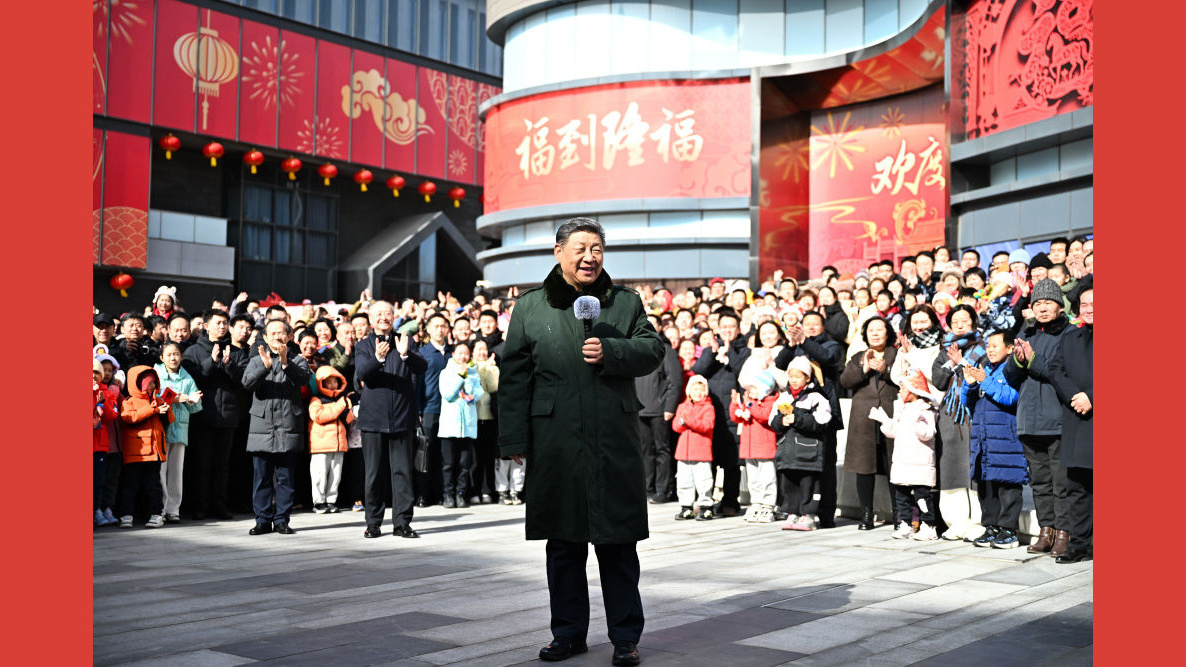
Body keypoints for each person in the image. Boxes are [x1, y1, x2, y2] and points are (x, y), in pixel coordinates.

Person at [498, 218, 664, 666]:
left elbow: (653, 349)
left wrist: (613, 351)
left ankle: (625, 638)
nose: (590, 257)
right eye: (581, 248)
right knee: (563, 543)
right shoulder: (531, 307)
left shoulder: (625, 303)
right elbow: (514, 377)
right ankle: (568, 634)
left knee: (618, 543)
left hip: (613, 439)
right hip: (556, 441)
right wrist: (514, 438)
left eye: (597, 249)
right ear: (558, 252)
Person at [1007, 278, 1074, 557]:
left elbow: (1062, 375)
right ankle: (1045, 531)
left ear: (1060, 306)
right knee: (1040, 482)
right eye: (1038, 304)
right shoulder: (1027, 332)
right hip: (1029, 420)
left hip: (1058, 420)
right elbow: (1011, 377)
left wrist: (1033, 361)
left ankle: (1064, 533)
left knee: (1062, 482)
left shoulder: (1071, 335)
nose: (1043, 308)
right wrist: (1018, 360)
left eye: (1048, 303)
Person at [355, 300, 427, 539]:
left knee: (402, 472)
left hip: (402, 417)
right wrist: (377, 358)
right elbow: (362, 373)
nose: (383, 317)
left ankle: (402, 523)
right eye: (378, 314)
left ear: (394, 317)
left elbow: (422, 367)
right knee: (374, 474)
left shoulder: (406, 340)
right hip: (373, 419)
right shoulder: (363, 345)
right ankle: (373, 523)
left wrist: (406, 355)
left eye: (387, 313)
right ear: (370, 319)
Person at [242, 319, 312, 536]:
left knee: (285, 478)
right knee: (261, 477)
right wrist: (264, 368)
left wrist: (285, 363)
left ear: (289, 336)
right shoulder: (257, 359)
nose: (277, 336)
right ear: (265, 337)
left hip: (288, 425)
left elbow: (303, 380)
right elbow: (247, 383)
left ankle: (282, 520)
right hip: (262, 426)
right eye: (272, 333)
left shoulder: (298, 360)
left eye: (281, 332)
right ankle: (262, 520)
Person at [963, 329, 1028, 549]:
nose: (989, 350)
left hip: (1005, 439)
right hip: (984, 438)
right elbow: (969, 404)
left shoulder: (1012, 370)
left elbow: (1011, 397)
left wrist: (985, 381)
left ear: (1009, 349)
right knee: (986, 485)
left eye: (994, 346)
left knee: (1008, 484)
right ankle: (990, 527)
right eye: (988, 346)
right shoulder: (986, 369)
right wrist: (970, 384)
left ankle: (1009, 531)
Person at [181, 309, 247, 520]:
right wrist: (211, 361)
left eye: (225, 323)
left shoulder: (235, 351)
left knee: (222, 466)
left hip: (228, 416)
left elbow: (243, 381)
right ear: (206, 326)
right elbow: (192, 379)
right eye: (218, 323)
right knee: (202, 465)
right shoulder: (193, 351)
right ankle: (200, 506)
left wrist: (228, 365)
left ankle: (220, 505)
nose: (222, 327)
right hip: (202, 416)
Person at [930, 305, 986, 540]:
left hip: (973, 411)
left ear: (974, 321)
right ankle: (955, 521)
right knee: (951, 467)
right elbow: (938, 380)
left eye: (965, 320)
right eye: (955, 322)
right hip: (951, 414)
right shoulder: (944, 350)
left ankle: (978, 521)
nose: (960, 325)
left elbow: (979, 377)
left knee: (973, 466)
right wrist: (951, 364)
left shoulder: (984, 347)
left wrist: (961, 362)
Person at [1046, 287, 1093, 563]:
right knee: (1077, 487)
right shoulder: (1071, 336)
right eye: (1084, 304)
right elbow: (1055, 369)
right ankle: (1081, 544)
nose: (1089, 308)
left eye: (1095, 303)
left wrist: (1092, 397)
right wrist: (1075, 396)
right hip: (1077, 417)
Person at [840, 317, 899, 530]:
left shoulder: (897, 354)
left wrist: (886, 370)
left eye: (879, 329)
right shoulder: (858, 357)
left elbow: (908, 379)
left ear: (887, 333)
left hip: (891, 415)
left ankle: (899, 513)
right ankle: (866, 513)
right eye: (870, 330)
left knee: (894, 464)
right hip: (863, 419)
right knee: (863, 467)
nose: (874, 333)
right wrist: (863, 370)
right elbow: (845, 381)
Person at [691, 309, 749, 517]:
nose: (727, 330)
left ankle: (730, 502)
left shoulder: (744, 351)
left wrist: (729, 351)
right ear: (717, 328)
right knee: (709, 460)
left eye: (731, 327)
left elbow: (742, 372)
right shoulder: (710, 350)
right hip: (711, 414)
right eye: (724, 327)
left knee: (732, 463)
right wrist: (713, 353)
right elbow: (698, 370)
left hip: (733, 414)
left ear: (738, 329)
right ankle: (705, 501)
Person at [871, 370, 940, 541]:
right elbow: (895, 431)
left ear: (913, 390)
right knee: (901, 496)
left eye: (902, 388)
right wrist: (884, 421)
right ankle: (905, 524)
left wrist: (916, 423)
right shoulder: (902, 408)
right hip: (902, 461)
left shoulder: (926, 410)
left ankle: (928, 525)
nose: (899, 391)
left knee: (922, 497)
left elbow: (928, 433)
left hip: (920, 463)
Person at [772, 356, 832, 531]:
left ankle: (808, 514)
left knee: (808, 484)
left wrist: (797, 418)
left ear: (807, 378)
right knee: (789, 483)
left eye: (798, 376)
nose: (794, 380)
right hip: (788, 451)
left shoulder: (816, 397)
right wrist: (781, 421)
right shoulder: (783, 397)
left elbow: (822, 420)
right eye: (791, 376)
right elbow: (772, 420)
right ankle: (792, 512)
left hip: (808, 453)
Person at [118, 366, 173, 529]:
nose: (152, 386)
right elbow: (129, 418)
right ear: (139, 384)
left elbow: (170, 419)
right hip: (136, 452)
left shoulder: (158, 400)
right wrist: (153, 409)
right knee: (130, 485)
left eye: (154, 383)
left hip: (155, 452)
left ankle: (156, 514)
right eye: (149, 383)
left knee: (153, 485)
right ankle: (126, 515)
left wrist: (166, 409)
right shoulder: (129, 401)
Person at [635, 316, 682, 504]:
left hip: (660, 409)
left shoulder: (666, 350)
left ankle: (663, 490)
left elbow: (674, 381)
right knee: (645, 450)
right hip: (640, 408)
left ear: (661, 327)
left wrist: (669, 407)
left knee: (662, 450)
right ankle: (647, 488)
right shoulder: (637, 348)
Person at [154, 343, 202, 523]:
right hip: (161, 428)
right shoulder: (156, 374)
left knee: (176, 471)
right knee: (160, 471)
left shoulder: (187, 378)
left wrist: (193, 401)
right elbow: (153, 397)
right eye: (169, 355)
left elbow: (195, 408)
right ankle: (160, 508)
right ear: (161, 358)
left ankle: (173, 509)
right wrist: (175, 398)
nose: (173, 358)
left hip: (180, 429)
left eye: (176, 354)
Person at [438, 342, 484, 509]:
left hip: (467, 426)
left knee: (464, 464)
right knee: (448, 464)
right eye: (460, 353)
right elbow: (448, 394)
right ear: (453, 355)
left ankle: (461, 494)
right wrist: (461, 376)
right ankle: (448, 494)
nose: (463, 356)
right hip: (450, 427)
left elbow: (478, 393)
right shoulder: (446, 372)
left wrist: (469, 383)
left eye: (466, 353)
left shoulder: (474, 372)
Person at [731, 370, 778, 523]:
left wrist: (749, 405)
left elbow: (764, 416)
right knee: (753, 479)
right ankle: (756, 502)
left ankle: (768, 504)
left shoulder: (770, 402)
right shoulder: (750, 403)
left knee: (767, 478)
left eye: (754, 388)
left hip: (765, 449)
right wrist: (735, 404)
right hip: (749, 448)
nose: (750, 391)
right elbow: (736, 417)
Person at [417, 312, 452, 506]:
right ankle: (423, 494)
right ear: (428, 329)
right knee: (426, 453)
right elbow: (417, 385)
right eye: (436, 326)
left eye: (443, 326)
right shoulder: (422, 353)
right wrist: (418, 410)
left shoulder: (453, 353)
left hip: (451, 410)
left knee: (444, 454)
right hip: (430, 409)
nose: (440, 329)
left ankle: (440, 493)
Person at [307, 365, 354, 514]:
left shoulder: (342, 399)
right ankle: (319, 501)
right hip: (321, 444)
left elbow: (349, 419)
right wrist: (340, 405)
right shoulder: (316, 399)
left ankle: (331, 500)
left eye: (335, 381)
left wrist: (347, 406)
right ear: (321, 383)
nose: (333, 384)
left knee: (336, 474)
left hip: (339, 443)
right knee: (319, 474)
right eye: (329, 382)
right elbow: (319, 416)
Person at [673, 375, 716, 521]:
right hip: (683, 453)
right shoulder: (682, 406)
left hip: (701, 452)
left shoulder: (708, 408)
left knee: (704, 481)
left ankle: (706, 507)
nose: (698, 393)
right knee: (684, 481)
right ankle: (686, 507)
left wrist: (689, 421)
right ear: (689, 391)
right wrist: (682, 422)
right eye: (695, 389)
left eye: (701, 390)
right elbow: (676, 426)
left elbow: (707, 426)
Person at [472, 340, 503, 503]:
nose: (482, 352)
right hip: (473, 418)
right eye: (478, 349)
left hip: (489, 417)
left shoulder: (493, 368)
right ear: (472, 352)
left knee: (488, 457)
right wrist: (483, 368)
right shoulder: (469, 367)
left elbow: (493, 387)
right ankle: (474, 490)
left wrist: (488, 369)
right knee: (474, 458)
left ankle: (487, 490)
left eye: (484, 349)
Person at [93, 359, 119, 526]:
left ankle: (96, 511)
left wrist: (102, 402)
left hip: (100, 445)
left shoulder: (107, 393)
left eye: (97, 373)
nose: (94, 376)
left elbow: (112, 416)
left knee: (98, 481)